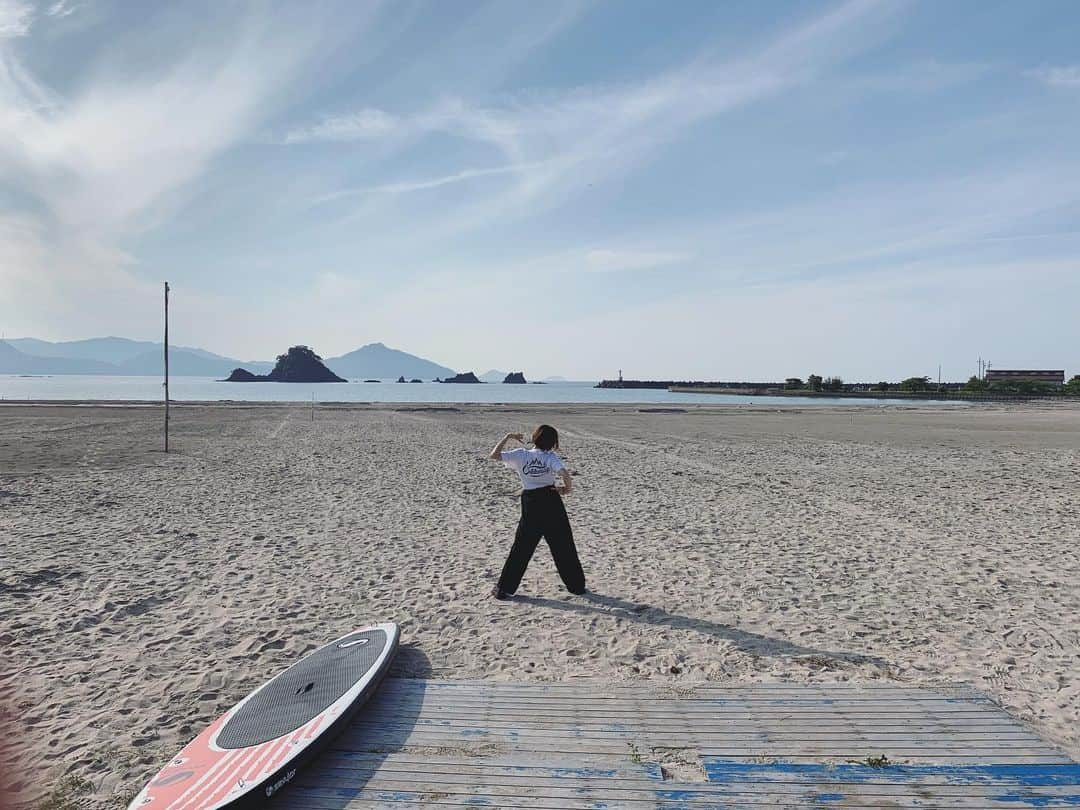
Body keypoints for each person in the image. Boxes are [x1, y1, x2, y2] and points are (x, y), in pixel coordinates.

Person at [488, 424, 586, 600]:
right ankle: (576, 586)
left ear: (534, 438)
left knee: (522, 546)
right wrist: (566, 489)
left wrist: (508, 436)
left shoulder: (521, 454)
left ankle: (504, 589)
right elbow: (565, 474)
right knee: (563, 544)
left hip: (531, 501)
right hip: (551, 499)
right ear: (552, 442)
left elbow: (494, 455)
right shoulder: (550, 457)